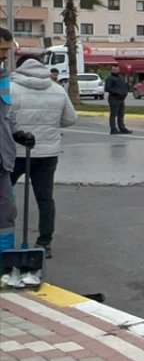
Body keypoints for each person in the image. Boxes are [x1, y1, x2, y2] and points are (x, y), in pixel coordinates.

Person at [11, 58, 77, 258]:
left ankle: (4, 239)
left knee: (4, 196)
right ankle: (44, 242)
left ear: (19, 67)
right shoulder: (57, 89)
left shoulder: (11, 88)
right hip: (47, 153)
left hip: (15, 152)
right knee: (45, 199)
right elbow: (71, 118)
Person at [0, 28, 38, 255]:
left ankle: (4, 261)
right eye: (2, 49)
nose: (6, 54)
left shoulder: (3, 76)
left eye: (8, 49)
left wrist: (17, 133)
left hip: (2, 161)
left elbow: (7, 112)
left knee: (6, 212)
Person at [104, 65, 131, 134]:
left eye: (116, 70)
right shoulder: (110, 78)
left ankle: (122, 128)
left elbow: (124, 86)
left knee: (121, 114)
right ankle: (113, 129)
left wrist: (126, 91)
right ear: (111, 70)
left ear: (119, 70)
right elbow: (107, 88)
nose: (115, 71)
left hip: (121, 99)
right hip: (114, 98)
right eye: (114, 70)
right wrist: (117, 93)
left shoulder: (121, 78)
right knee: (113, 114)